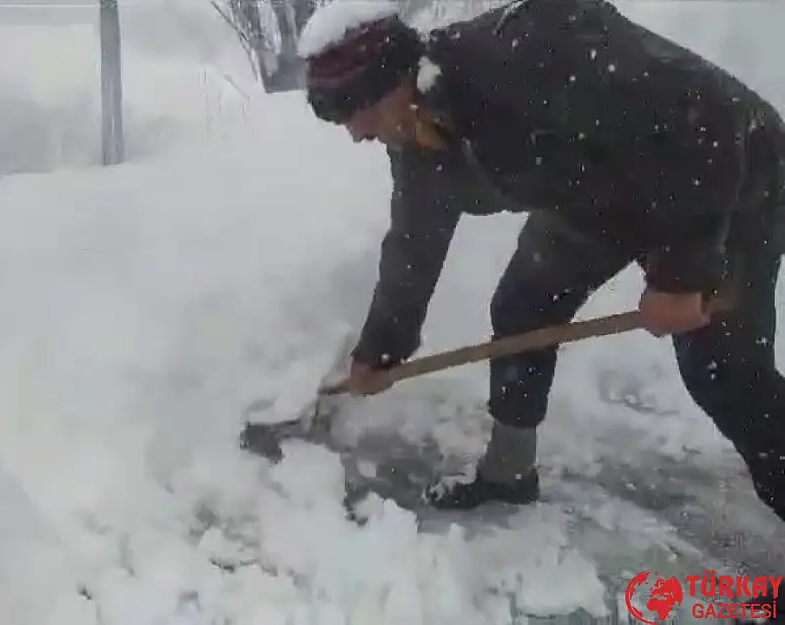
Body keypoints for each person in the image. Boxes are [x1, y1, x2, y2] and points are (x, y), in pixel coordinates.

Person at [300, 0, 784, 603]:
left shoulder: (529, 56)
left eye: (358, 110)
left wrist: (684, 275)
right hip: (597, 189)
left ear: (397, 80)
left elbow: (706, 126)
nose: (356, 132)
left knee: (725, 375)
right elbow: (414, 243)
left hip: (727, 173)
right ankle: (509, 472)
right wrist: (381, 347)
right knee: (524, 306)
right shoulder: (417, 133)